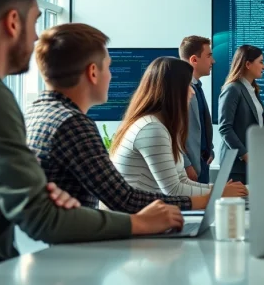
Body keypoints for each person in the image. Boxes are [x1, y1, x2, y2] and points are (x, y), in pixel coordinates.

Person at [0, 0, 182, 266]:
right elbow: (41, 220)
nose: (36, 37)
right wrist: (140, 223)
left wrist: (47, 201)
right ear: (13, 22)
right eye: (35, 21)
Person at [25, 23, 217, 212]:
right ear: (93, 72)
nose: (110, 76)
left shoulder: (37, 112)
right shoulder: (73, 124)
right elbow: (123, 198)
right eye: (108, 68)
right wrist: (206, 199)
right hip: (79, 239)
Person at [110, 57, 248, 199]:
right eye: (188, 85)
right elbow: (173, 190)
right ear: (173, 90)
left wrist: (219, 189)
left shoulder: (163, 126)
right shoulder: (152, 129)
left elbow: (182, 181)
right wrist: (219, 192)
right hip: (137, 217)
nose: (192, 92)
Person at [218, 45, 264, 185]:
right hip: (236, 166)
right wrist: (246, 155)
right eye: (261, 62)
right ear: (248, 64)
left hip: (254, 164)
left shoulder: (253, 91)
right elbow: (225, 128)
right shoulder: (232, 89)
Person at [179, 35, 215, 183]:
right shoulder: (180, 90)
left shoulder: (197, 87)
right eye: (209, 56)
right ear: (194, 60)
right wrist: (186, 164)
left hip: (203, 163)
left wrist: (210, 150)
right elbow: (174, 133)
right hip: (189, 168)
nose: (213, 61)